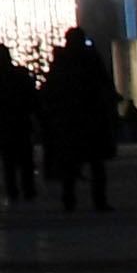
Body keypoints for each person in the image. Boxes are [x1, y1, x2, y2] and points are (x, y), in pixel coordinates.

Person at [42, 26, 116, 211]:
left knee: (70, 162)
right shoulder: (90, 58)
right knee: (95, 163)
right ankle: (98, 200)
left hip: (70, 118)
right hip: (90, 116)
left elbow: (51, 87)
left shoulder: (62, 60)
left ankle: (69, 199)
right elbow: (103, 82)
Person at [0, 43, 38, 201]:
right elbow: (31, 96)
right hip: (20, 120)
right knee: (25, 159)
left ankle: (13, 190)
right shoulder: (19, 74)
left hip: (3, 121)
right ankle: (28, 188)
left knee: (9, 159)